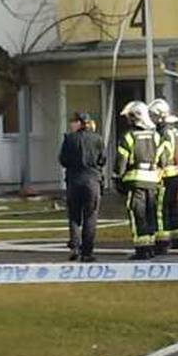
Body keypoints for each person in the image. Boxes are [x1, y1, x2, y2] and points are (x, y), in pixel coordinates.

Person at [114, 101, 162, 260]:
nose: (128, 120)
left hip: (136, 182)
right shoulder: (155, 135)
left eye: (130, 117)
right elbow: (161, 157)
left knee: (137, 214)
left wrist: (117, 176)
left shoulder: (129, 136)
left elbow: (121, 160)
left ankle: (142, 249)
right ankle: (151, 246)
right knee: (151, 213)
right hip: (153, 180)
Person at [58, 112, 106, 262]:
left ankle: (75, 247)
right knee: (90, 216)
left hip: (74, 181)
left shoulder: (69, 139)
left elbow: (63, 160)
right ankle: (87, 252)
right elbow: (102, 160)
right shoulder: (97, 139)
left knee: (74, 216)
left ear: (79, 123)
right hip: (92, 181)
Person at [149, 98, 178, 249]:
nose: (151, 118)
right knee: (173, 206)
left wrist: (156, 168)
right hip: (174, 173)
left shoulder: (162, 133)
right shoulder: (173, 131)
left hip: (164, 174)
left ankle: (162, 240)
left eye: (152, 115)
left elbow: (162, 155)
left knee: (160, 208)